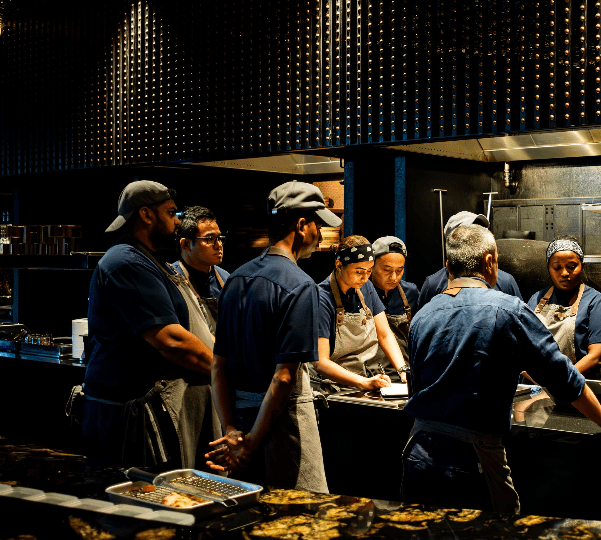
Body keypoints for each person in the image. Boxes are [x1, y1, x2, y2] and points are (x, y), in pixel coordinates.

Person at [402, 224, 601, 514]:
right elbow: (562, 377)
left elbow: (415, 384)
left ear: (448, 266)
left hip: (418, 455)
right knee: (490, 532)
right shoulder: (508, 310)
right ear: (490, 262)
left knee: (421, 529)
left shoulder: (423, 315)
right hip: (474, 459)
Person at [205, 182, 389, 492]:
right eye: (318, 225)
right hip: (280, 425)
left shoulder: (235, 279)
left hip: (239, 422)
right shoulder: (299, 286)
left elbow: (218, 365)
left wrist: (233, 431)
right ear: (302, 225)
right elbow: (283, 378)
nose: (321, 235)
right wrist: (252, 444)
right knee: (299, 513)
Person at [82, 180, 220, 469]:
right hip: (127, 417)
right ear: (146, 215)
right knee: (135, 493)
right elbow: (172, 340)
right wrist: (227, 373)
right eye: (170, 213)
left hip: (149, 409)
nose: (177, 221)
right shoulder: (126, 262)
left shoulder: (152, 261)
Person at [314, 235, 408, 390]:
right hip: (331, 386)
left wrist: (403, 370)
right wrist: (364, 382)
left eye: (369, 271)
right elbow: (320, 362)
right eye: (359, 272)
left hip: (364, 379)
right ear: (339, 265)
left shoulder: (366, 287)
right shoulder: (321, 298)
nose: (365, 278)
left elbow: (384, 334)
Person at [527, 238, 601, 378]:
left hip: (578, 384)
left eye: (572, 266)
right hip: (537, 383)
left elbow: (597, 356)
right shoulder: (536, 300)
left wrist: (564, 380)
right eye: (557, 267)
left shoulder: (595, 301)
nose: (564, 273)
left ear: (582, 266)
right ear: (548, 268)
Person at [417, 211, 523, 307]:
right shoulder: (433, 284)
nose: (478, 235)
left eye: (481, 230)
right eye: (470, 231)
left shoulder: (505, 282)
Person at [172, 206, 230, 336]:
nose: (218, 245)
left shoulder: (226, 279)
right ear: (186, 244)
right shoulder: (172, 280)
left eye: (219, 238)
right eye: (209, 239)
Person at [368, 236, 420, 377]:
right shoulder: (360, 293)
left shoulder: (411, 293)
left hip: (403, 372)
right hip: (368, 375)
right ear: (371, 265)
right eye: (387, 270)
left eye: (399, 270)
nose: (394, 277)